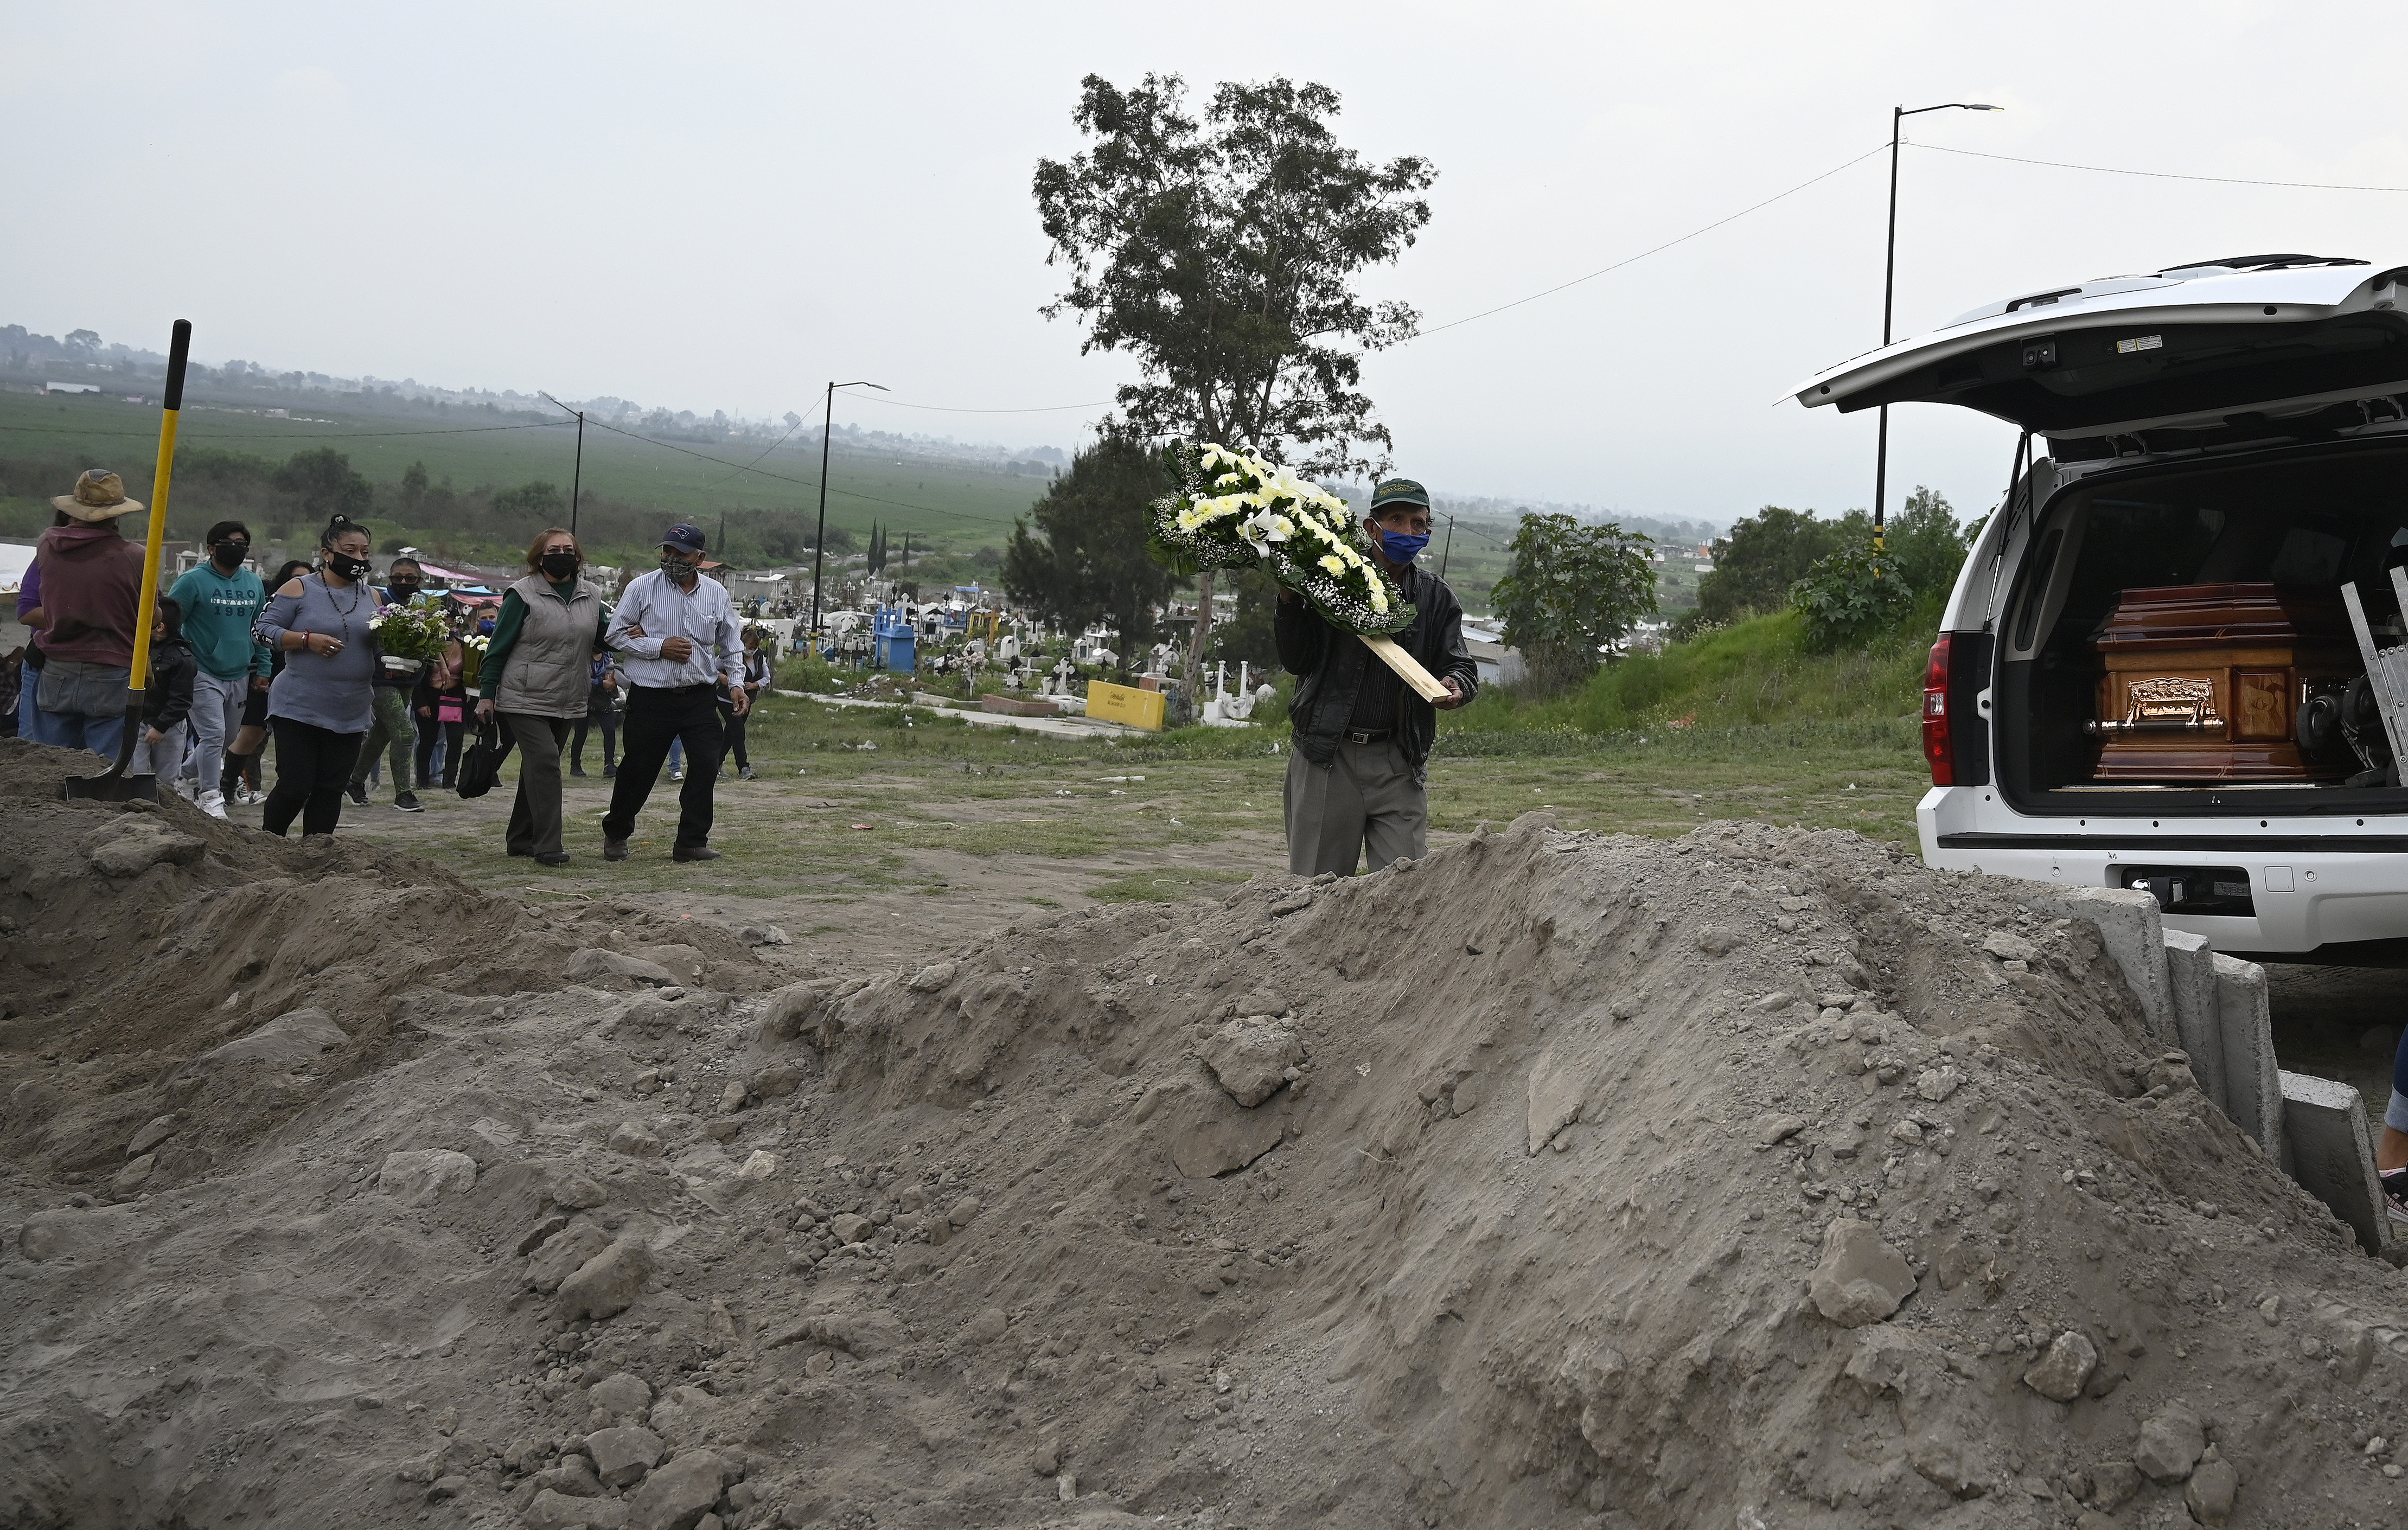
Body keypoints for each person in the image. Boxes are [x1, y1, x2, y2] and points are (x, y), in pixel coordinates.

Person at [1275, 476, 1478, 877]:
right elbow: (1297, 660)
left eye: (1417, 523)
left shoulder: (1435, 597)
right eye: (1396, 520)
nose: (1407, 531)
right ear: (1372, 528)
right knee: (1316, 893)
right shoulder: (1332, 581)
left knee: (1406, 892)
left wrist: (1457, 685)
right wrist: (1287, 599)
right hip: (1327, 756)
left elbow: (1460, 663)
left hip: (1398, 760)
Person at [601, 522, 747, 862]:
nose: (671, 559)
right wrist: (658, 647)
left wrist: (737, 683)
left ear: (700, 558)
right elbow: (614, 635)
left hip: (699, 696)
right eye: (666, 551)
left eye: (680, 554)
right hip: (652, 697)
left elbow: (731, 644)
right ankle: (617, 833)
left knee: (707, 764)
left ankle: (691, 841)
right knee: (638, 769)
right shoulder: (641, 588)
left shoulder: (716, 594)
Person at [476, 528, 609, 865]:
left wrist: (639, 634)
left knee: (538, 767)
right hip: (523, 696)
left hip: (568, 696)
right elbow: (498, 648)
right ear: (539, 556)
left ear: (578, 556)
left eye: (568, 549)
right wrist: (486, 695)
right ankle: (548, 845)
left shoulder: (591, 595)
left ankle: (520, 838)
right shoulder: (521, 595)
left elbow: (606, 637)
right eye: (554, 549)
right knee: (547, 762)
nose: (562, 554)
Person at [254, 516, 379, 836]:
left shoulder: (374, 597)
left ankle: (316, 855)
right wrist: (307, 639)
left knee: (331, 788)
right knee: (296, 786)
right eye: (350, 551)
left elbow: (379, 643)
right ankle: (269, 846)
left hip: (351, 708)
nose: (359, 559)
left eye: (365, 553)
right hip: (300, 705)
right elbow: (262, 631)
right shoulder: (299, 588)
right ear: (327, 553)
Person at [26, 470, 146, 759]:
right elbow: (151, 618)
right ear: (116, 515)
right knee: (103, 765)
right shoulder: (136, 555)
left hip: (58, 666)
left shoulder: (47, 545)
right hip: (112, 666)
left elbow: (29, 607)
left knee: (51, 760)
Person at [166, 520, 271, 818]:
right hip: (202, 671)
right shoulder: (192, 581)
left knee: (226, 738)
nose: (236, 548)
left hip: (239, 671)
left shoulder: (253, 583)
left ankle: (184, 776)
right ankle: (211, 796)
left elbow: (259, 629)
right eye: (229, 543)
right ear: (211, 548)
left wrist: (263, 667)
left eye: (242, 544)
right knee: (213, 735)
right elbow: (170, 623)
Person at [218, 557, 311, 805]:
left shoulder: (316, 607)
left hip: (300, 678)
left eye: (305, 579)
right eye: (294, 579)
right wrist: (263, 669)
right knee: (252, 733)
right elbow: (259, 636)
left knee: (292, 735)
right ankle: (227, 785)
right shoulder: (272, 607)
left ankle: (293, 788)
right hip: (266, 673)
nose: (299, 584)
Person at [344, 555, 433, 814]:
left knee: (383, 733)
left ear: (420, 580)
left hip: (410, 676)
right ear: (389, 579)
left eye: (410, 578)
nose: (404, 582)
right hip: (380, 678)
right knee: (406, 733)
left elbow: (433, 636)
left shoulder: (425, 604)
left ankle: (355, 782)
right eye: (398, 578)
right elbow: (366, 637)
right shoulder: (377, 600)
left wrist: (438, 665)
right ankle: (404, 794)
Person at [128, 596, 196, 780]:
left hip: (169, 728)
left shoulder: (182, 659)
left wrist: (161, 727)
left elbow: (182, 699)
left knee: (166, 780)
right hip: (139, 723)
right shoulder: (138, 649)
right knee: (135, 775)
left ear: (160, 626)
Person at [414, 631, 468, 790]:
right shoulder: (426, 646)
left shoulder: (466, 646)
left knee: (456, 738)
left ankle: (450, 780)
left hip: (455, 696)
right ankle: (423, 780)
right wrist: (420, 703)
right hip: (429, 696)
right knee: (428, 739)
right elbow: (416, 677)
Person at [724, 625, 771, 779]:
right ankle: (744, 768)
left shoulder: (759, 657)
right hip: (727, 699)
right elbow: (713, 666)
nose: (752, 650)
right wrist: (722, 677)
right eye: (750, 647)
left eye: (755, 647)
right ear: (742, 644)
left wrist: (755, 685)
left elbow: (766, 677)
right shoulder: (733, 655)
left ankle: (715, 764)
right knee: (739, 733)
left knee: (730, 735)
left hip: (748, 700)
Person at [571, 651, 619, 777]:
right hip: (584, 699)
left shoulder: (609, 656)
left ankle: (609, 765)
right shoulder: (582, 656)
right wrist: (600, 683)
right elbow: (578, 677)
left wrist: (614, 682)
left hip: (603, 699)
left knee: (610, 731)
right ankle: (575, 765)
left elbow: (616, 672)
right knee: (581, 733)